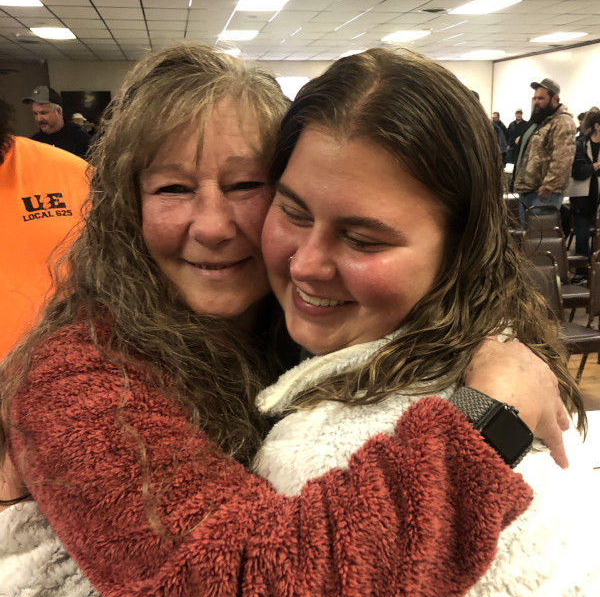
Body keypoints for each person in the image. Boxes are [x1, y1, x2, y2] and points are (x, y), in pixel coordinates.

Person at [0, 44, 568, 596]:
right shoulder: (77, 376)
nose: (215, 226)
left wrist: (495, 343)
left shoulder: (295, 325)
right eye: (172, 188)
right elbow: (245, 580)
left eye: (246, 185)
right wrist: (489, 420)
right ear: (127, 208)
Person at [255, 48, 598, 595]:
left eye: (363, 239)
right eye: (293, 211)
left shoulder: (328, 457)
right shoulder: (489, 348)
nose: (304, 265)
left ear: (460, 249)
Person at [0, 97, 89, 359]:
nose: (40, 117)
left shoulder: (74, 171)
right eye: (35, 112)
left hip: (67, 367)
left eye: (44, 111)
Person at [512, 77, 576, 224]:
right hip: (529, 189)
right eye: (535, 98)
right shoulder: (540, 122)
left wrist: (549, 186)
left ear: (555, 98)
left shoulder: (563, 122)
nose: (536, 102)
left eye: (541, 98)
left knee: (539, 238)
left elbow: (563, 158)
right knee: (529, 237)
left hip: (544, 193)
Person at [23, 86, 91, 159]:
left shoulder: (80, 138)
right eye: (35, 113)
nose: (39, 119)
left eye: (43, 113)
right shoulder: (34, 142)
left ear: (58, 111)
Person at [570, 109, 600, 279]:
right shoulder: (580, 144)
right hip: (582, 200)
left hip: (598, 200)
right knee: (581, 238)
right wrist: (596, 166)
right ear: (597, 126)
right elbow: (578, 171)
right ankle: (582, 273)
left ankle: (595, 275)